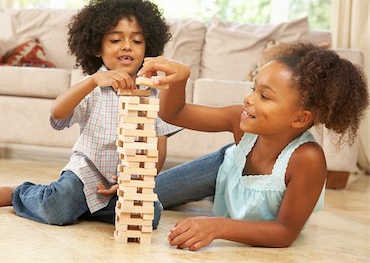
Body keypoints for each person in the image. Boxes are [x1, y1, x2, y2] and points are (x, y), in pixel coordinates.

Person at [0, 0, 180, 228]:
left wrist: (136, 180)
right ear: (96, 48)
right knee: (57, 208)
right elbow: (57, 113)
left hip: (125, 181)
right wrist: (93, 81)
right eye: (115, 40)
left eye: (136, 41)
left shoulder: (154, 93)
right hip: (86, 174)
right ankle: (20, 193)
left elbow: (158, 149)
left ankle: (81, 207)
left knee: (150, 215)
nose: (127, 46)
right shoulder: (94, 87)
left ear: (148, 46)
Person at [139, 42, 369, 250]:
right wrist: (180, 78)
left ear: (300, 118)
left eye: (265, 96)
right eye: (253, 89)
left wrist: (218, 227)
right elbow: (174, 114)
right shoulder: (239, 122)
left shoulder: (307, 159)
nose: (249, 99)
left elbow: (284, 232)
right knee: (136, 198)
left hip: (244, 197)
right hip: (221, 169)